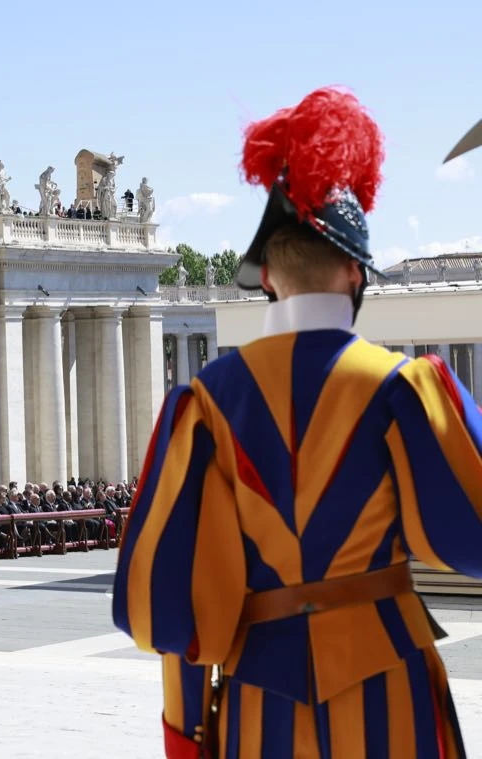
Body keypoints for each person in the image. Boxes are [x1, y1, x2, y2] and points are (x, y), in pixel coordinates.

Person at [113, 87, 476, 757]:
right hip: (390, 694)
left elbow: (179, 608)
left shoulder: (204, 405)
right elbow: (472, 539)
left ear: (269, 279)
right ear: (355, 273)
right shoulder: (407, 387)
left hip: (258, 706)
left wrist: (187, 733)